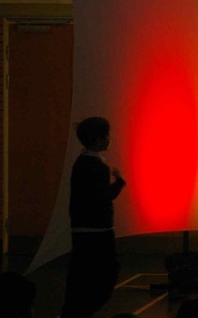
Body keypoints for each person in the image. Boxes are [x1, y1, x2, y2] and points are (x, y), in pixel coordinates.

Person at [62, 116, 126, 318]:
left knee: (82, 274)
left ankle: (74, 311)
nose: (110, 138)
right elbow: (102, 196)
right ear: (99, 140)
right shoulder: (96, 166)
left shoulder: (82, 163)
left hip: (83, 229)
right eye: (107, 135)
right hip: (98, 230)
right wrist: (119, 184)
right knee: (106, 274)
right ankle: (83, 310)